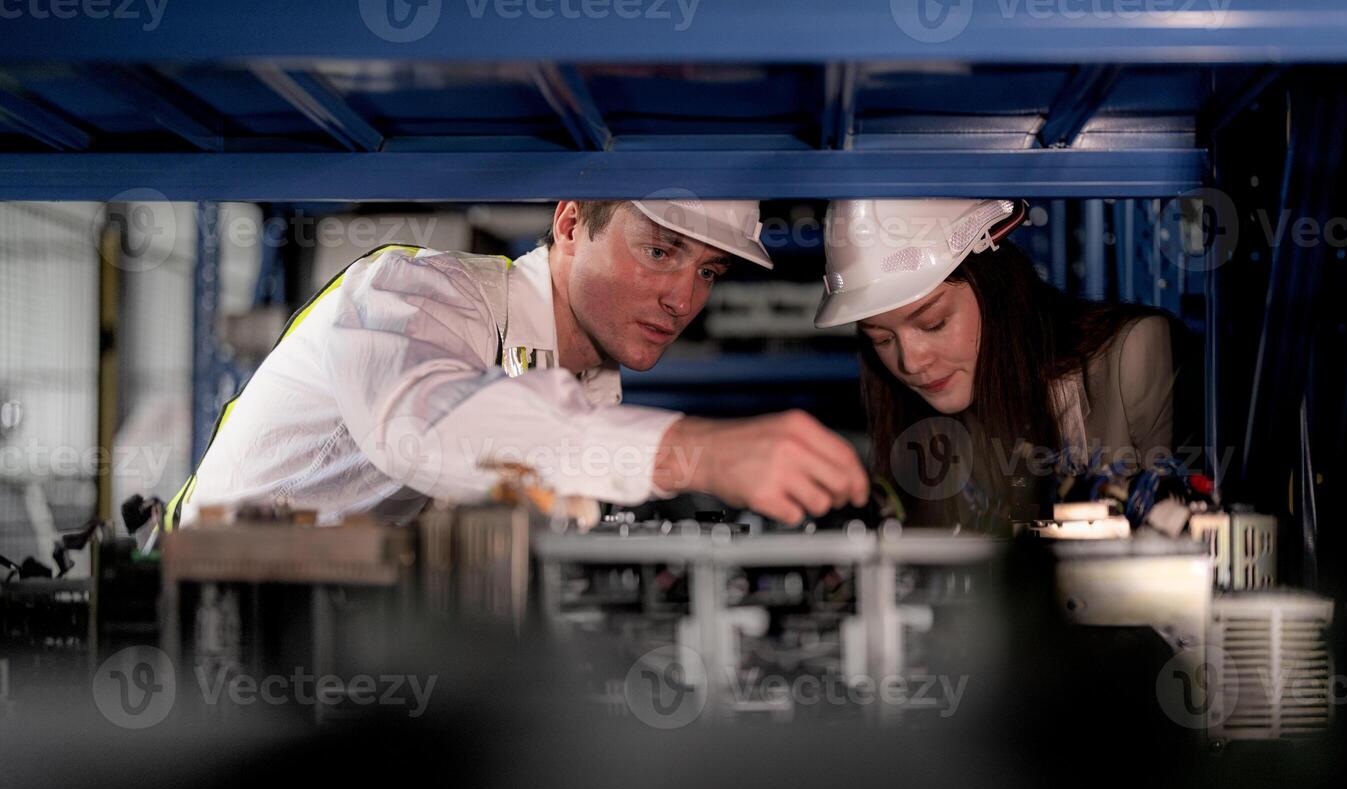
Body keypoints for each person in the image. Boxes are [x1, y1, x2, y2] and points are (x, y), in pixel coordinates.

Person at [165, 199, 869, 529]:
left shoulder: (588, 386)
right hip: (215, 628)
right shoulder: (416, 291)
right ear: (569, 224)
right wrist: (694, 451)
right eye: (659, 252)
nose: (684, 299)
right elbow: (429, 427)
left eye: (709, 272)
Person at [814, 198, 1177, 530]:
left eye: (933, 323)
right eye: (881, 338)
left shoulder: (1132, 355)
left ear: (996, 287)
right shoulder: (929, 436)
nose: (910, 361)